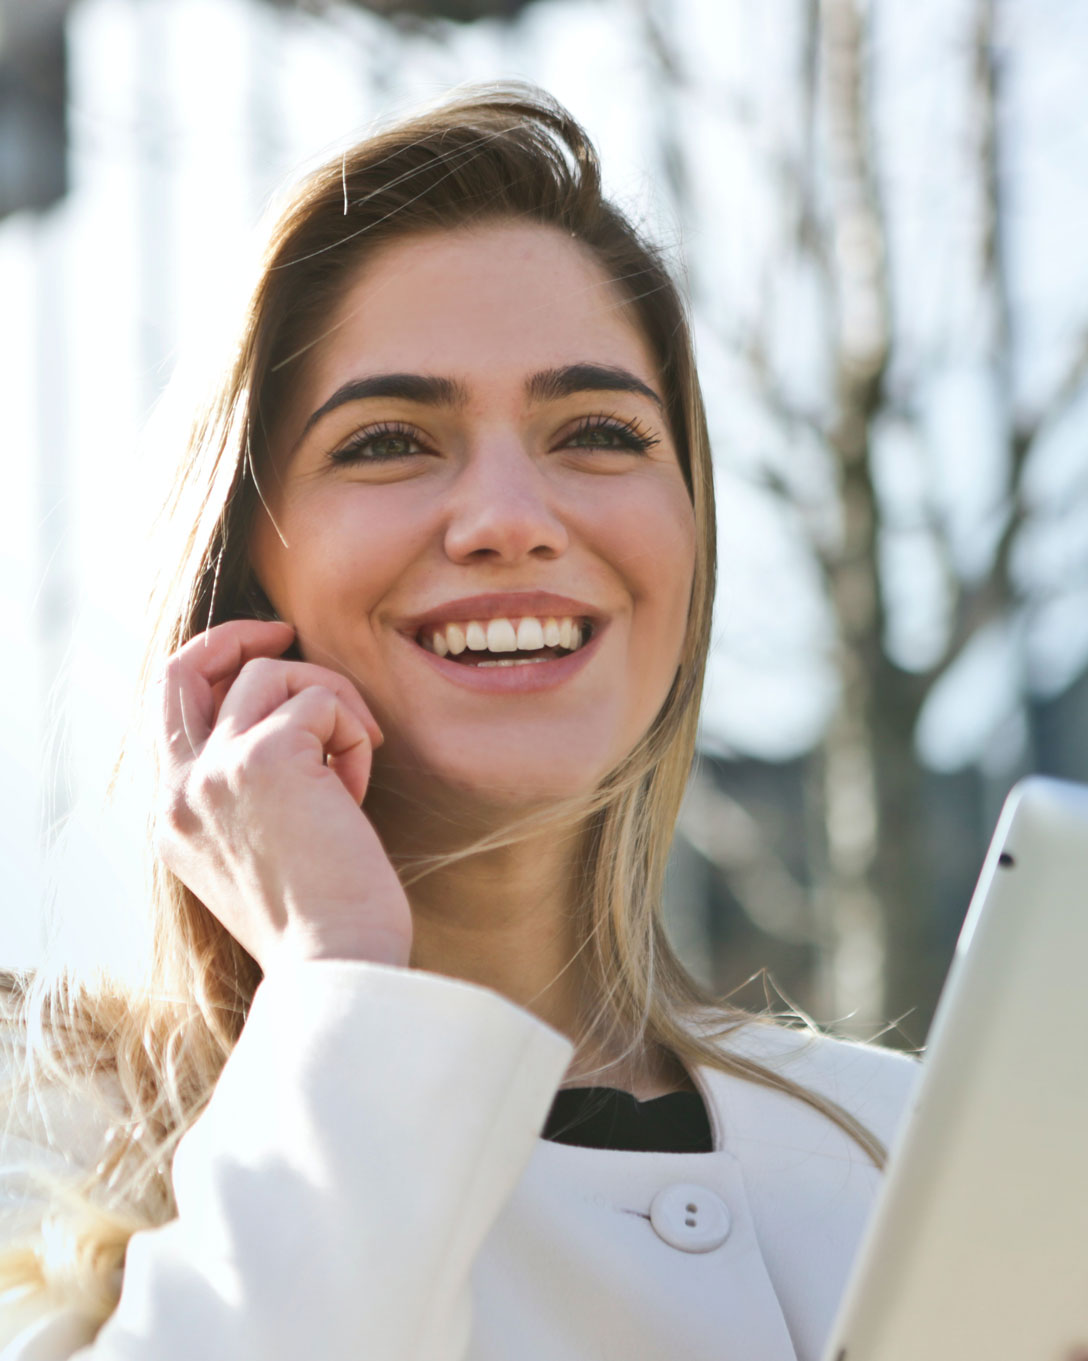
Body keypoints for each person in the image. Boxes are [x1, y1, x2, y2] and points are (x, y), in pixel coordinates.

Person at [0, 84, 917, 1360]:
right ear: (243, 564)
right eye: (388, 440)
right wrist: (340, 976)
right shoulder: (39, 1142)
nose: (509, 518)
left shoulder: (905, 1146)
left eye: (596, 431)